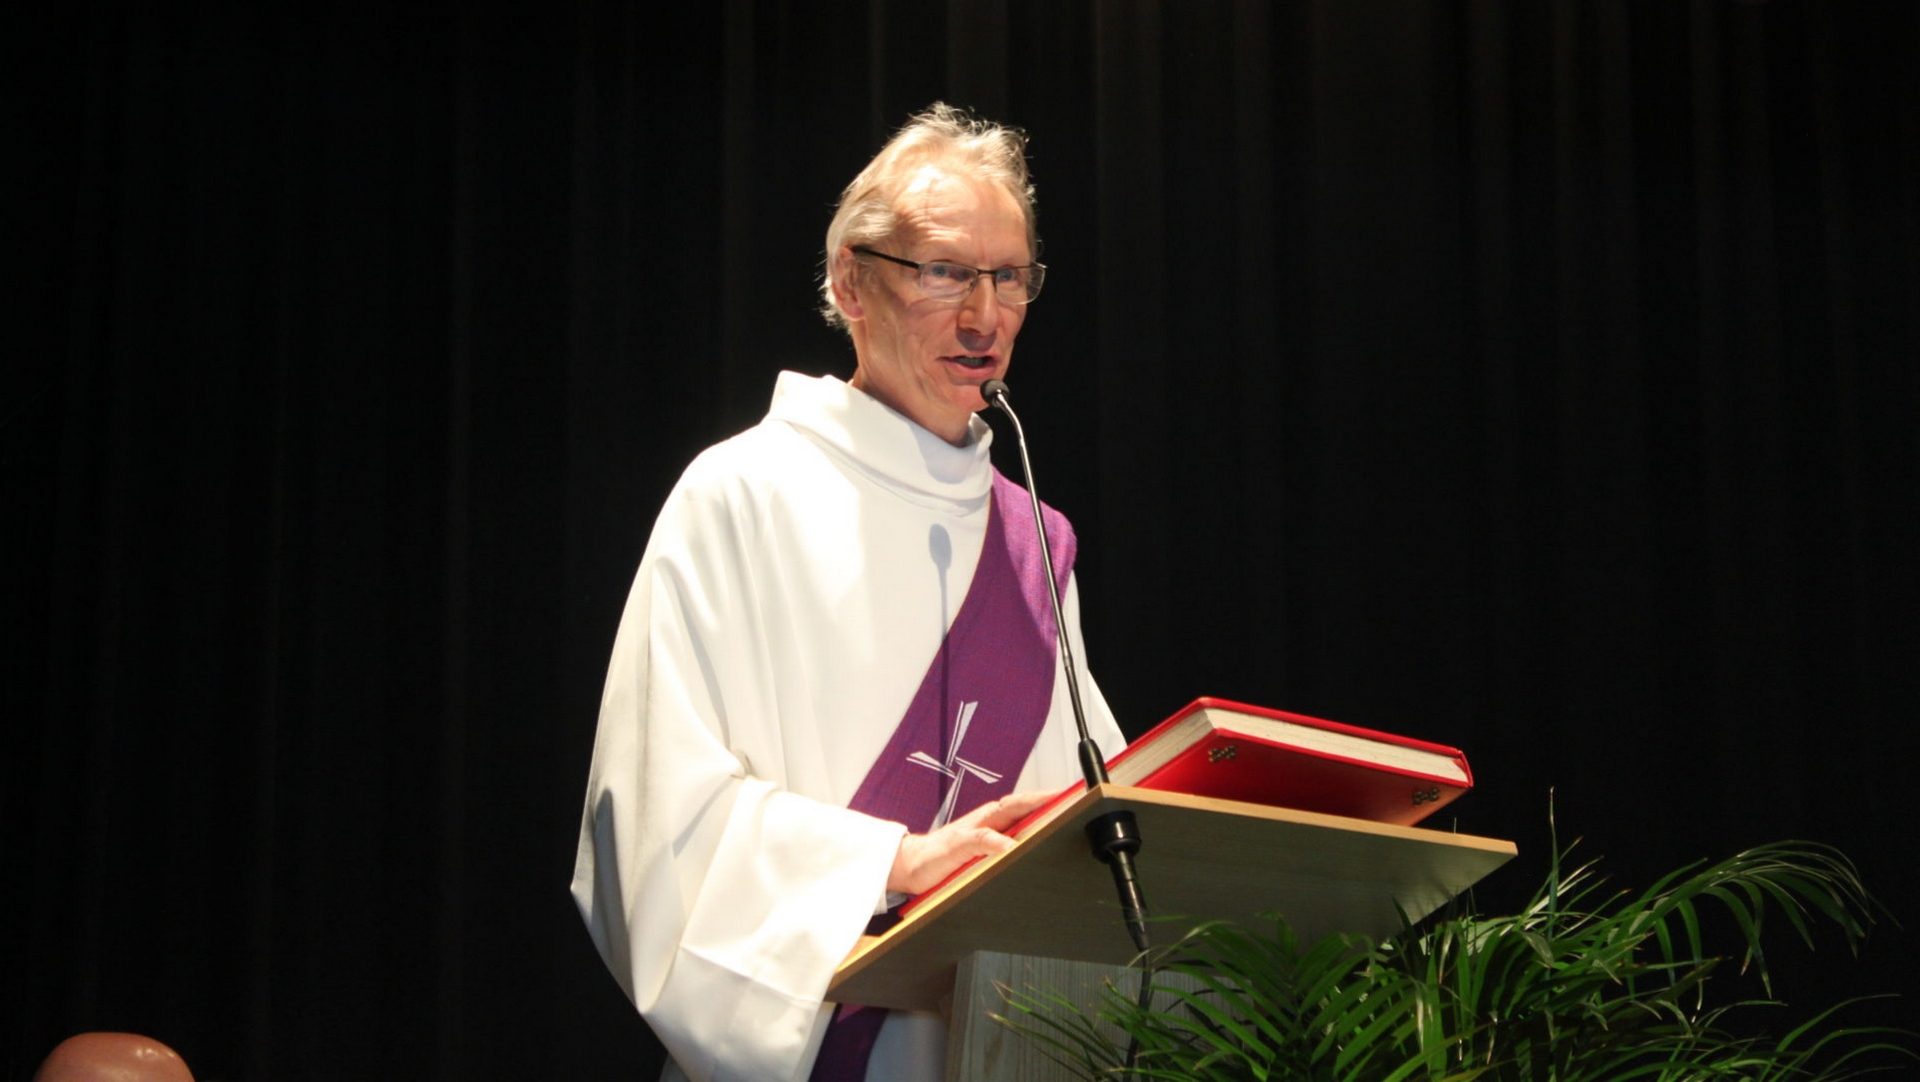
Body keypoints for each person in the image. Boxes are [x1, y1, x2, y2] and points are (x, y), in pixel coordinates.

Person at [571, 103, 1124, 1082]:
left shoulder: (1031, 541)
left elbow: (1097, 837)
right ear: (850, 283)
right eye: (947, 271)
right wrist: (886, 866)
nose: (984, 316)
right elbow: (656, 828)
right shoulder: (741, 494)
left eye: (1008, 277)